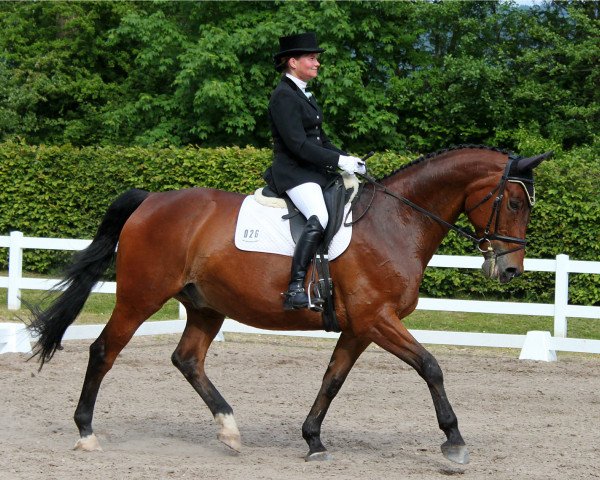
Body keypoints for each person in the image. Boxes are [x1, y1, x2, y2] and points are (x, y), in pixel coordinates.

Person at [263, 32, 365, 310]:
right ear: (293, 62)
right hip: (294, 172)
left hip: (312, 171)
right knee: (318, 215)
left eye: (317, 58)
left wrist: (346, 158)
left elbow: (320, 140)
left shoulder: (303, 94)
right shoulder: (283, 96)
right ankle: (295, 287)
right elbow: (297, 145)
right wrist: (336, 162)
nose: (317, 63)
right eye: (312, 58)